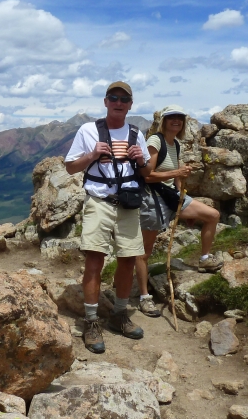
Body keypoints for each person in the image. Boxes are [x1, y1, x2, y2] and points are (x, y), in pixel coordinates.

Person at [65, 80, 154, 354]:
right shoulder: (88, 131)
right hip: (99, 201)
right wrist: (92, 155)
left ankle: (118, 315)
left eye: (123, 99)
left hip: (127, 204)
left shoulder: (136, 134)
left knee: (128, 259)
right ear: (105, 102)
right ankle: (91, 321)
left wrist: (141, 160)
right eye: (113, 98)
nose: (118, 103)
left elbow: (147, 173)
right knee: (95, 260)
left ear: (130, 104)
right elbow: (70, 168)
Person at [135, 104, 222, 317]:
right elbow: (147, 175)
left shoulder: (175, 144)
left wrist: (181, 201)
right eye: (171, 117)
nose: (176, 121)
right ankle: (144, 296)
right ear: (163, 121)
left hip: (171, 197)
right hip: (153, 199)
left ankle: (204, 259)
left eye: (179, 118)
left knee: (212, 215)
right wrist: (178, 172)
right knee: (144, 251)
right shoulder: (155, 141)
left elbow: (175, 177)